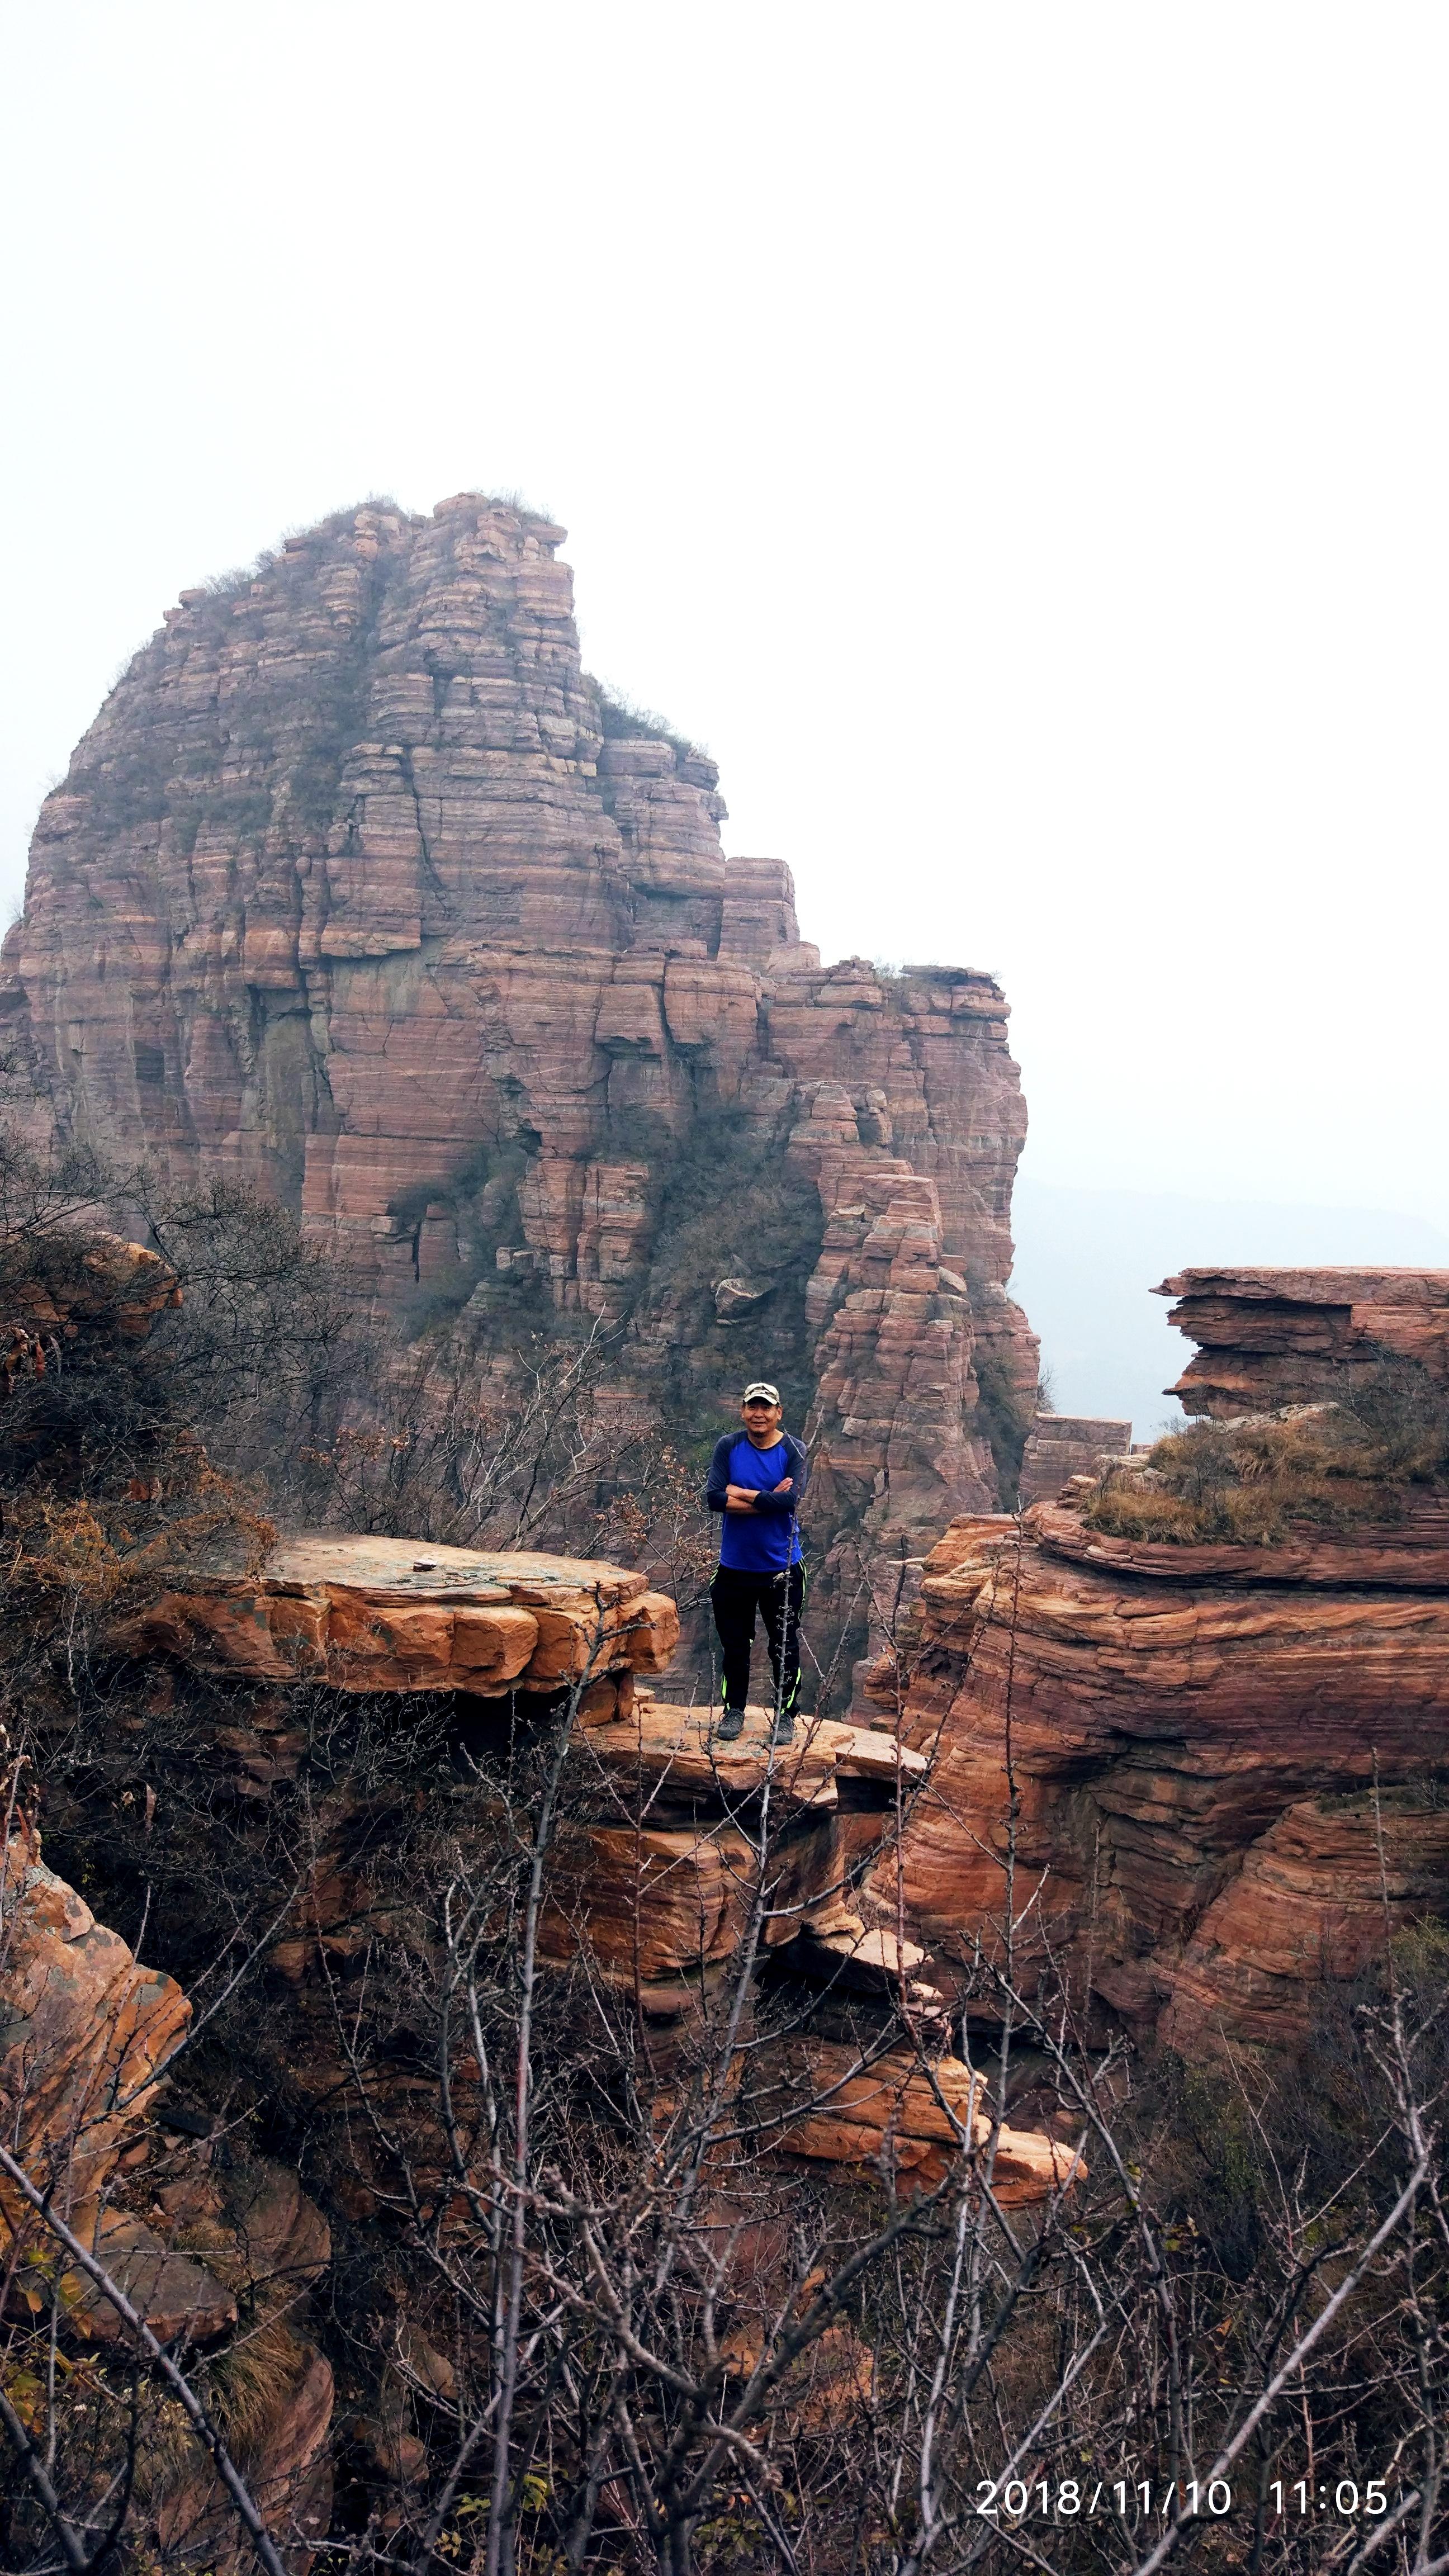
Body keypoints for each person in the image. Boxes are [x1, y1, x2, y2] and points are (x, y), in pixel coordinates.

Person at [704, 1380, 809, 1746]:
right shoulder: (729, 1447)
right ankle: (734, 1711)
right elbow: (714, 1499)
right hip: (735, 1568)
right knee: (736, 1645)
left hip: (783, 1569)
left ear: (778, 1412)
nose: (759, 1414)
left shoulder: (794, 1449)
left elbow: (789, 1502)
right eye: (753, 1407)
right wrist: (765, 1499)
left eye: (766, 1407)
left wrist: (742, 1493)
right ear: (743, 1411)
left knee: (784, 1646)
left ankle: (785, 1716)